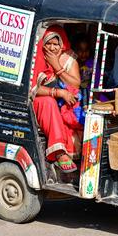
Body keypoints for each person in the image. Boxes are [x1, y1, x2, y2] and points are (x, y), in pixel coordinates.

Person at [31, 25, 82, 173]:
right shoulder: (37, 57)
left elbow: (76, 83)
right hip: (41, 101)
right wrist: (58, 92)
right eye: (49, 44)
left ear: (62, 44)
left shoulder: (68, 57)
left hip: (65, 103)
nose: (52, 48)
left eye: (56, 44)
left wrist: (56, 66)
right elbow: (33, 89)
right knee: (48, 102)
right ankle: (58, 151)